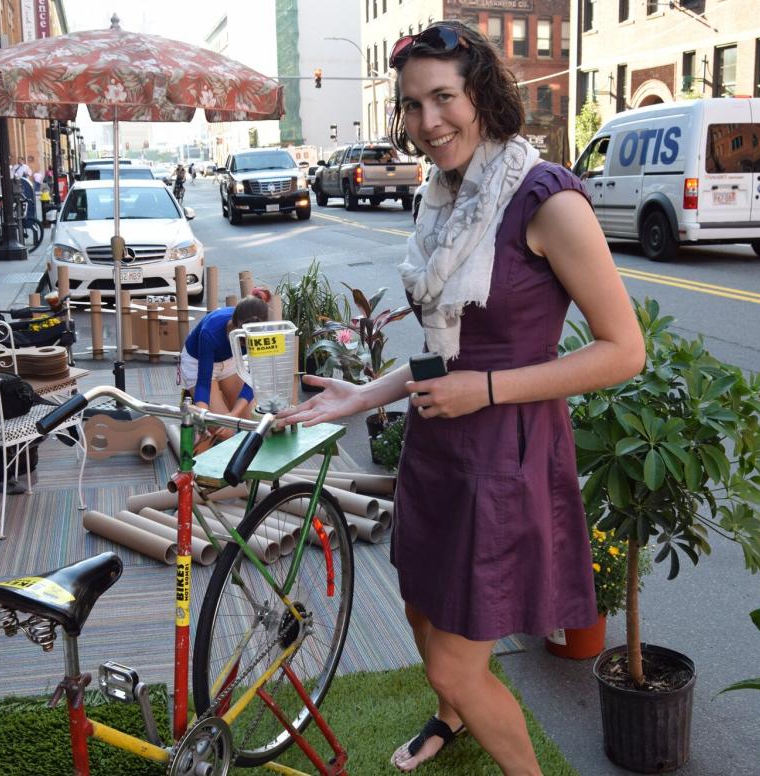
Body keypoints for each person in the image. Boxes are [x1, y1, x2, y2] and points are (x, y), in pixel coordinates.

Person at [276, 19, 644, 776]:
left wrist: (486, 390)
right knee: (420, 601)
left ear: (481, 93)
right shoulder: (445, 193)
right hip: (438, 442)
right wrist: (360, 396)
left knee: (455, 659)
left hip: (505, 456)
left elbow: (624, 353)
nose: (427, 122)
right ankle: (451, 721)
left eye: (443, 98)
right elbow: (443, 357)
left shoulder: (545, 199)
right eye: (412, 106)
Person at [180, 288, 272, 447]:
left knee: (250, 421)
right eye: (241, 339)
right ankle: (202, 432)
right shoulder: (210, 331)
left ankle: (246, 464)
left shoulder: (260, 333)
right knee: (227, 430)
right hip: (197, 362)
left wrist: (233, 413)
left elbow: (252, 381)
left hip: (230, 359)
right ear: (234, 323)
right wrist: (202, 416)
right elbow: (204, 381)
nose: (245, 343)